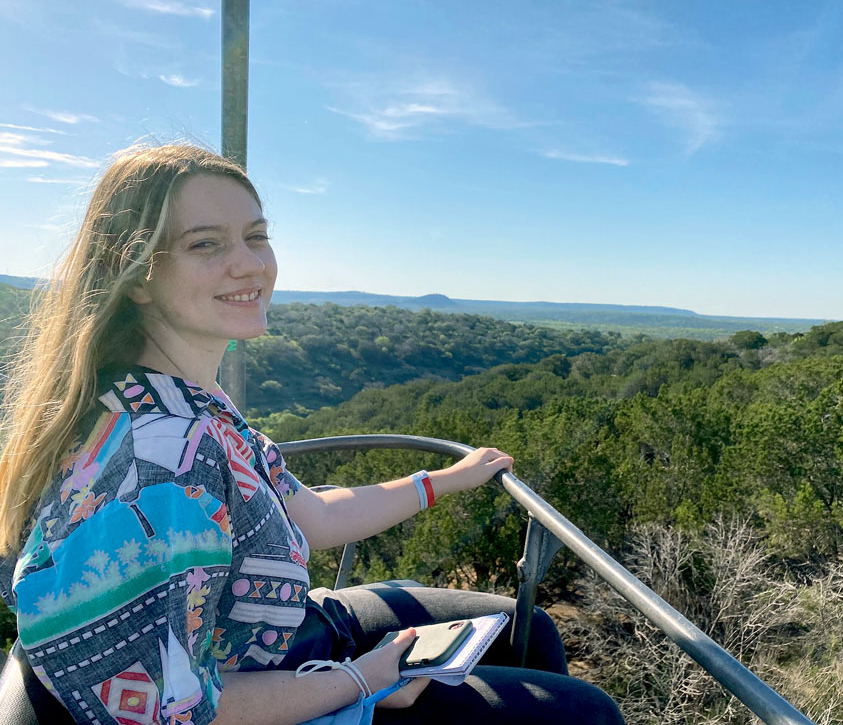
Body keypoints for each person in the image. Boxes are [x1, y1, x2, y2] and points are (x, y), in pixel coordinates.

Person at [0, 143, 623, 725]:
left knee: (528, 631)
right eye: (205, 244)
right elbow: (177, 710)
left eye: (256, 236)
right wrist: (360, 680)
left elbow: (315, 515)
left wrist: (443, 480)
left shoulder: (183, 400)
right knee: (585, 713)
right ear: (136, 275)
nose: (249, 263)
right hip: (256, 686)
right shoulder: (161, 461)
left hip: (286, 631)